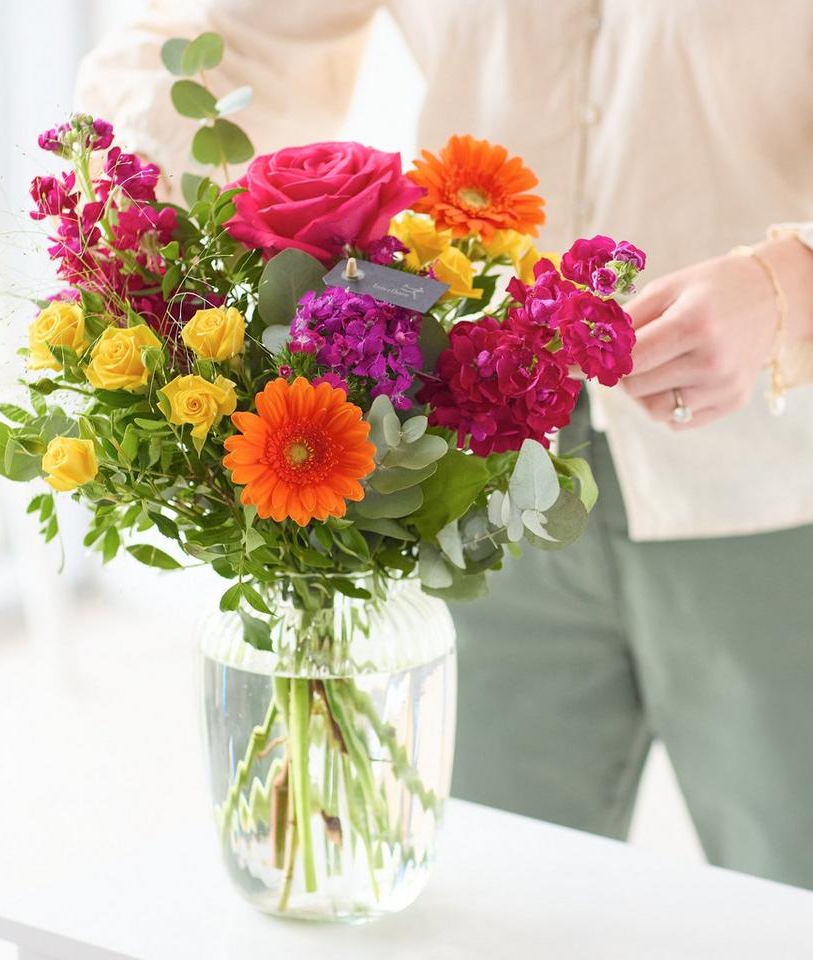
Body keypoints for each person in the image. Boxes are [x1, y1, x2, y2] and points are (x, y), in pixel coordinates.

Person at [75, 1, 813, 888]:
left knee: (790, 888)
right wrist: (128, 214)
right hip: (478, 469)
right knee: (492, 892)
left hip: (778, 483)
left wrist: (791, 284)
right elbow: (239, 37)